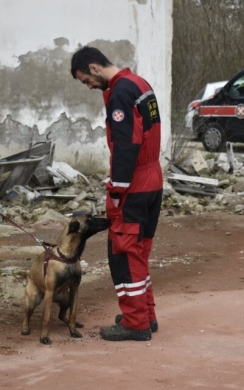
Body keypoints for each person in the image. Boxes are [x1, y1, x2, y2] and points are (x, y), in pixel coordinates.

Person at [70, 46, 162, 341]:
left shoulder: (121, 92)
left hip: (134, 184)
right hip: (152, 180)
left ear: (95, 68)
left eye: (86, 80)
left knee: (124, 254)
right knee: (140, 252)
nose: (89, 86)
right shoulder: (140, 84)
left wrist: (116, 193)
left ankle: (136, 323)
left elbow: (126, 147)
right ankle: (145, 314)